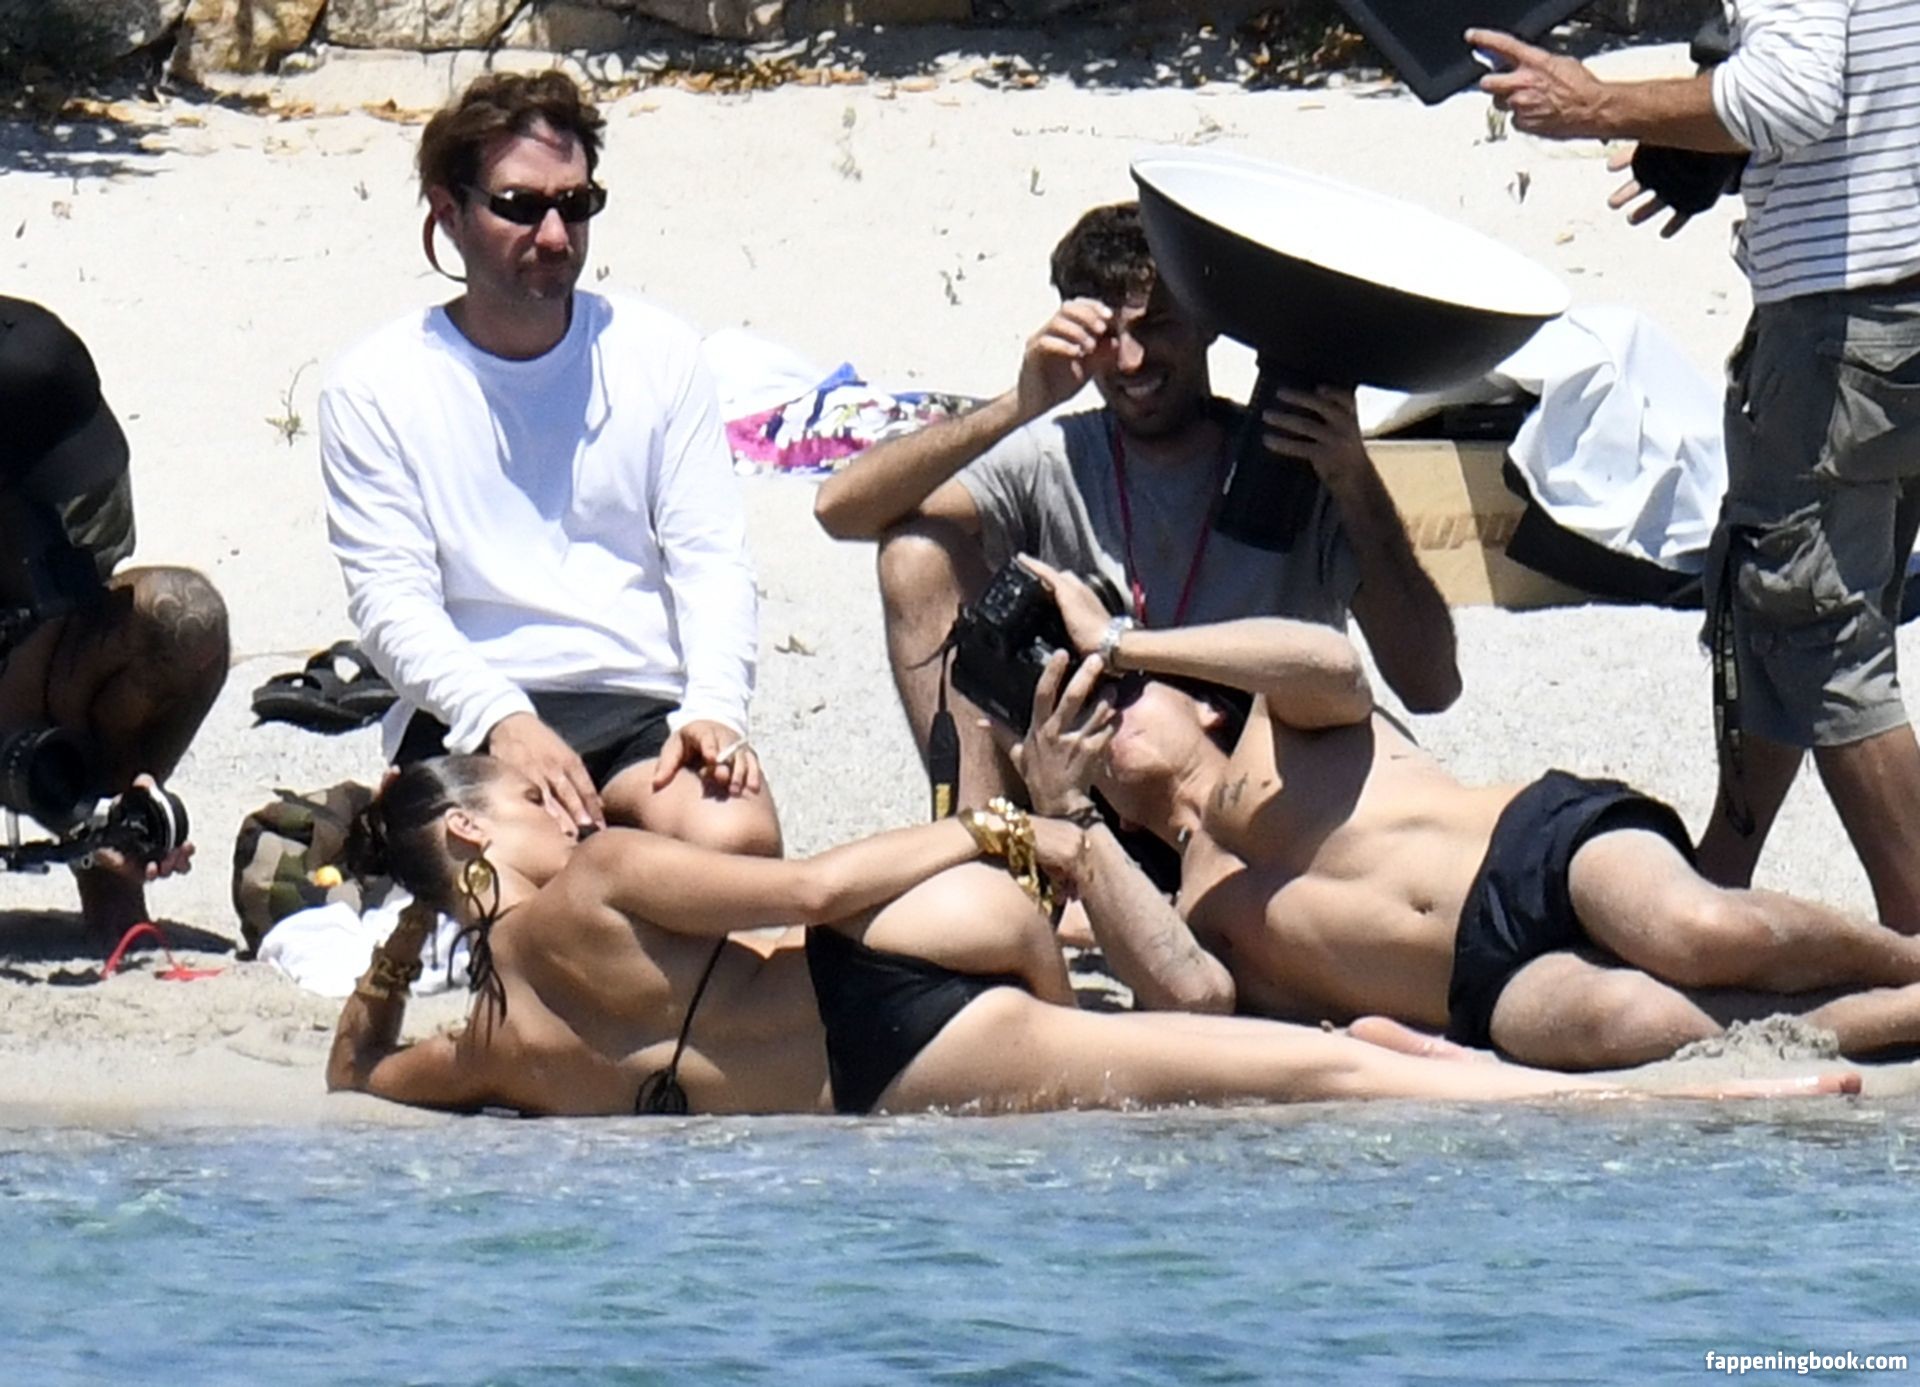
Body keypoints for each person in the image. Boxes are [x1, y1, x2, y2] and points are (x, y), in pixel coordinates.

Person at [324, 754, 1854, 1114]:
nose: (566, 800)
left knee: (1279, 1079)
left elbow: (351, 1080)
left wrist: (395, 954)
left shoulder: (494, 1053)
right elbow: (807, 894)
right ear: (472, 836)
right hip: (893, 1002)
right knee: (1304, 1079)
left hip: (883, 1061)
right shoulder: (598, 876)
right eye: (526, 797)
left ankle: (1655, 1088)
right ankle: (1688, 1091)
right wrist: (991, 830)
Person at [1006, 558, 1920, 1071]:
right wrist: (1067, 808)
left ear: (1203, 703)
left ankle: (1907, 957)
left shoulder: (1276, 730)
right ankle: (1907, 1012)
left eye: (1120, 693)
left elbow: (1333, 662)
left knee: (1695, 930)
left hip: (1534, 845)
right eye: (1078, 713)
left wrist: (1120, 642)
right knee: (1636, 1027)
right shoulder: (1181, 916)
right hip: (1482, 988)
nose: (1103, 712)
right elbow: (1194, 1000)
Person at [1466, 10, 1920, 933]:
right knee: (1773, 606)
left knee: (1817, 627)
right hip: (1897, 308)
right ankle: (1720, 876)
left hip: (1842, 325)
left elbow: (1792, 91)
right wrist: (1716, 145)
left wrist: (1594, 103)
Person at [813, 202, 1459, 810]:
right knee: (914, 554)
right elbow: (839, 509)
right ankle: (989, 845)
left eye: (1155, 326)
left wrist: (1355, 480)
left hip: (1259, 789)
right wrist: (1018, 404)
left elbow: (1431, 685)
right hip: (1095, 777)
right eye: (1105, 336)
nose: (1129, 360)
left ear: (1208, 322)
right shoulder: (1056, 456)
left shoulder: (1294, 464)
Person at [318, 70, 779, 857]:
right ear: (449, 213)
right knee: (524, 866)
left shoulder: (659, 353)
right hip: (469, 707)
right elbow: (392, 603)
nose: (557, 235)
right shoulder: (374, 385)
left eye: (577, 203)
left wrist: (714, 708)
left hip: (639, 700)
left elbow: (711, 559)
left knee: (735, 840)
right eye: (521, 206)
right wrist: (501, 717)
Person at [0, 296, 228, 933]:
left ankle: (111, 864)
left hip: (30, 670)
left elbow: (83, 583)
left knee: (183, 618)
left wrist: (118, 800)